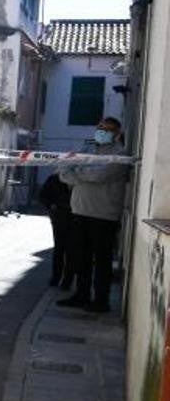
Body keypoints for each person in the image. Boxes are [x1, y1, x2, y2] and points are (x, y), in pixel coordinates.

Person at [56, 117, 130, 313]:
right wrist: (82, 171)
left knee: (102, 260)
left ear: (117, 134)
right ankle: (81, 295)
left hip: (104, 215)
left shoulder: (120, 154)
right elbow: (64, 173)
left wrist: (78, 171)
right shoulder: (87, 150)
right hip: (79, 211)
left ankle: (100, 301)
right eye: (100, 127)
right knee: (81, 258)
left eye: (108, 129)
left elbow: (99, 175)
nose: (103, 131)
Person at [38, 172, 75, 289]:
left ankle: (67, 281)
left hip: (75, 218)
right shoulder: (54, 178)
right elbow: (42, 195)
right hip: (59, 217)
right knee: (59, 249)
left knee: (71, 251)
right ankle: (56, 278)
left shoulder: (78, 177)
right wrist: (51, 205)